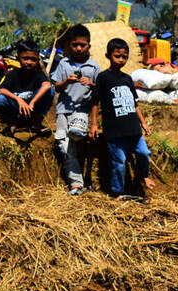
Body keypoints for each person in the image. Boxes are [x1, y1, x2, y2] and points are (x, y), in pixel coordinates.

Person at [89, 38, 156, 200]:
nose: (121, 60)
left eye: (124, 57)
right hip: (114, 130)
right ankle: (117, 191)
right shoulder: (103, 78)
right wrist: (94, 125)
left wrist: (143, 122)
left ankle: (143, 176)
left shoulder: (127, 79)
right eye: (117, 56)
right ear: (108, 56)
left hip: (133, 128)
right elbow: (95, 102)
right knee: (119, 161)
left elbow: (135, 104)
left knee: (143, 152)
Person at [50, 25, 100, 195]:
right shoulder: (64, 64)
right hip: (64, 109)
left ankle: (81, 154)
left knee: (77, 134)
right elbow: (57, 87)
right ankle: (76, 183)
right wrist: (67, 82)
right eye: (74, 45)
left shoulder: (94, 68)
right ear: (69, 46)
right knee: (64, 146)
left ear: (89, 46)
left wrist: (91, 84)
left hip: (82, 110)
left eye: (82, 45)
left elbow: (98, 92)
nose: (78, 48)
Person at [0, 39, 52, 137]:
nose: (29, 62)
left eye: (33, 59)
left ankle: (36, 124)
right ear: (18, 58)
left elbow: (47, 85)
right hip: (17, 110)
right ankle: (13, 124)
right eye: (25, 58)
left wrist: (32, 102)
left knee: (50, 91)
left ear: (38, 60)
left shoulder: (38, 74)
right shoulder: (13, 74)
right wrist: (18, 99)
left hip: (33, 110)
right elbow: (1, 90)